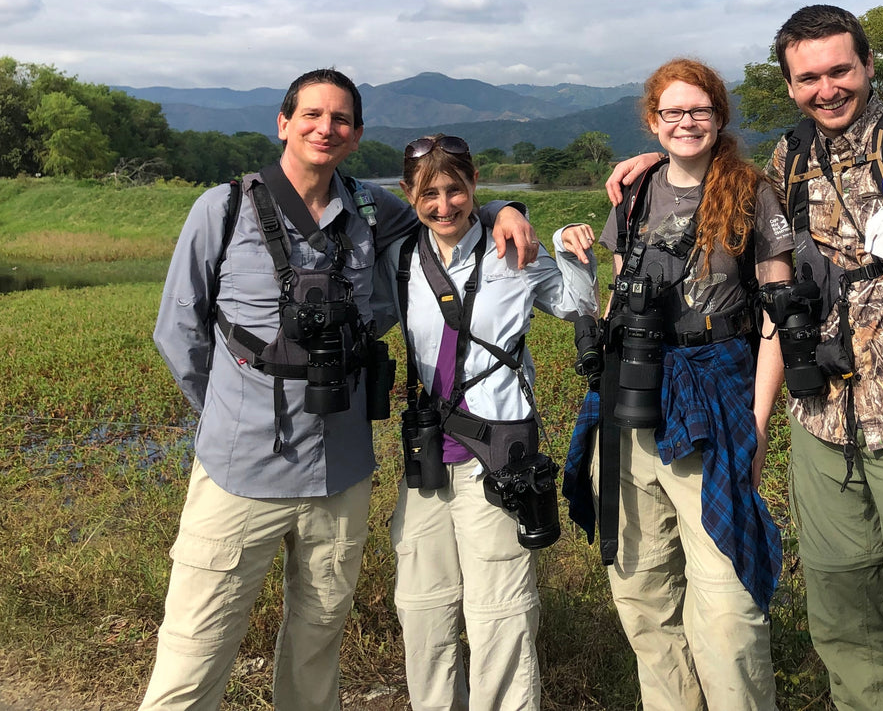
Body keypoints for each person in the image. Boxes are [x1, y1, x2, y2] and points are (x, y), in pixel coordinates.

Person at [609, 7, 883, 711]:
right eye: (808, 77)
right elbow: (717, 176)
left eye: (840, 70)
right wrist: (656, 160)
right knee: (841, 614)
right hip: (821, 415)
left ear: (867, 65)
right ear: (789, 84)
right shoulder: (787, 158)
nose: (827, 88)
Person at [141, 69, 535, 711]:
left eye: (342, 120)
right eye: (312, 116)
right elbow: (179, 330)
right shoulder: (225, 207)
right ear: (284, 123)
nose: (327, 128)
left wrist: (504, 209)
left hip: (340, 472)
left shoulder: (372, 211)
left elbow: (449, 210)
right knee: (196, 643)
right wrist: (225, 411)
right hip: (241, 469)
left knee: (318, 644)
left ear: (355, 136)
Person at [562, 58, 793, 711]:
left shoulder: (753, 192)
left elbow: (776, 311)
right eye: (673, 112)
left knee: (726, 601)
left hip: (715, 392)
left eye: (699, 110)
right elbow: (620, 299)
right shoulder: (633, 192)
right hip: (631, 393)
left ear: (720, 116)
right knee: (642, 593)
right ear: (652, 121)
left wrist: (759, 419)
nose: (687, 122)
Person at [381, 133, 599, 711]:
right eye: (429, 193)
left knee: (498, 611)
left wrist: (573, 247)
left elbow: (578, 304)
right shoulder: (402, 257)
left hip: (500, 454)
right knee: (422, 606)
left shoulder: (514, 252)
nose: (444, 205)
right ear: (409, 195)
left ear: (474, 184)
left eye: (456, 190)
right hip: (427, 453)